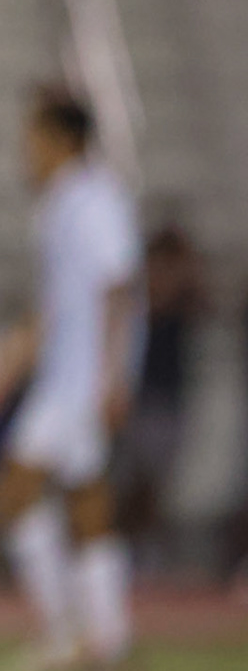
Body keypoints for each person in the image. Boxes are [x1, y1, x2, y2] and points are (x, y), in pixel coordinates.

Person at [0, 84, 142, 671]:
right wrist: (5, 372)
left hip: (79, 384)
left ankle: (64, 631)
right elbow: (49, 307)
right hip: (66, 379)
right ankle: (107, 641)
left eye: (34, 139)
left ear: (63, 140)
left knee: (15, 492)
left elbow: (119, 287)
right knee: (87, 505)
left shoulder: (95, 200)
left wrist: (115, 378)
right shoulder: (58, 205)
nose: (26, 152)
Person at [112, 221, 207, 569]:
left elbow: (201, 307)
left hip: (168, 401)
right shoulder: (141, 296)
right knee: (131, 485)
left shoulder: (186, 295)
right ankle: (128, 553)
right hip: (141, 398)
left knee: (155, 488)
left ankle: (148, 554)